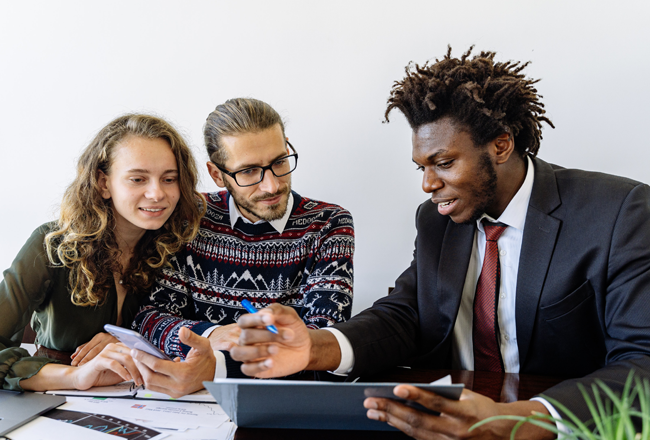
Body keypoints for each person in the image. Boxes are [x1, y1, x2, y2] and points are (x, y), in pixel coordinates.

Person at [230, 47, 650, 439]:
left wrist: (520, 422)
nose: (429, 184)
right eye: (422, 167)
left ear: (501, 145)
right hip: (439, 425)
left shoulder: (620, 212)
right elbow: (407, 315)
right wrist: (315, 346)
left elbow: (643, 361)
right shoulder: (437, 220)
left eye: (444, 163)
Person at [130, 98, 354, 394]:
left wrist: (216, 363)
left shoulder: (329, 224)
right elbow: (149, 317)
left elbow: (323, 340)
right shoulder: (189, 217)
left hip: (284, 400)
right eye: (248, 171)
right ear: (217, 175)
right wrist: (213, 334)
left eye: (279, 162)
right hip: (196, 401)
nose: (272, 186)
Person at [0, 114, 205, 392]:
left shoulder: (180, 243)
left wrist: (133, 340)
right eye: (137, 179)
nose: (157, 193)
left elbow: (195, 330)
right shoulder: (51, 244)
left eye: (169, 179)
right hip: (60, 394)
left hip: (153, 395)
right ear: (103, 183)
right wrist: (76, 377)